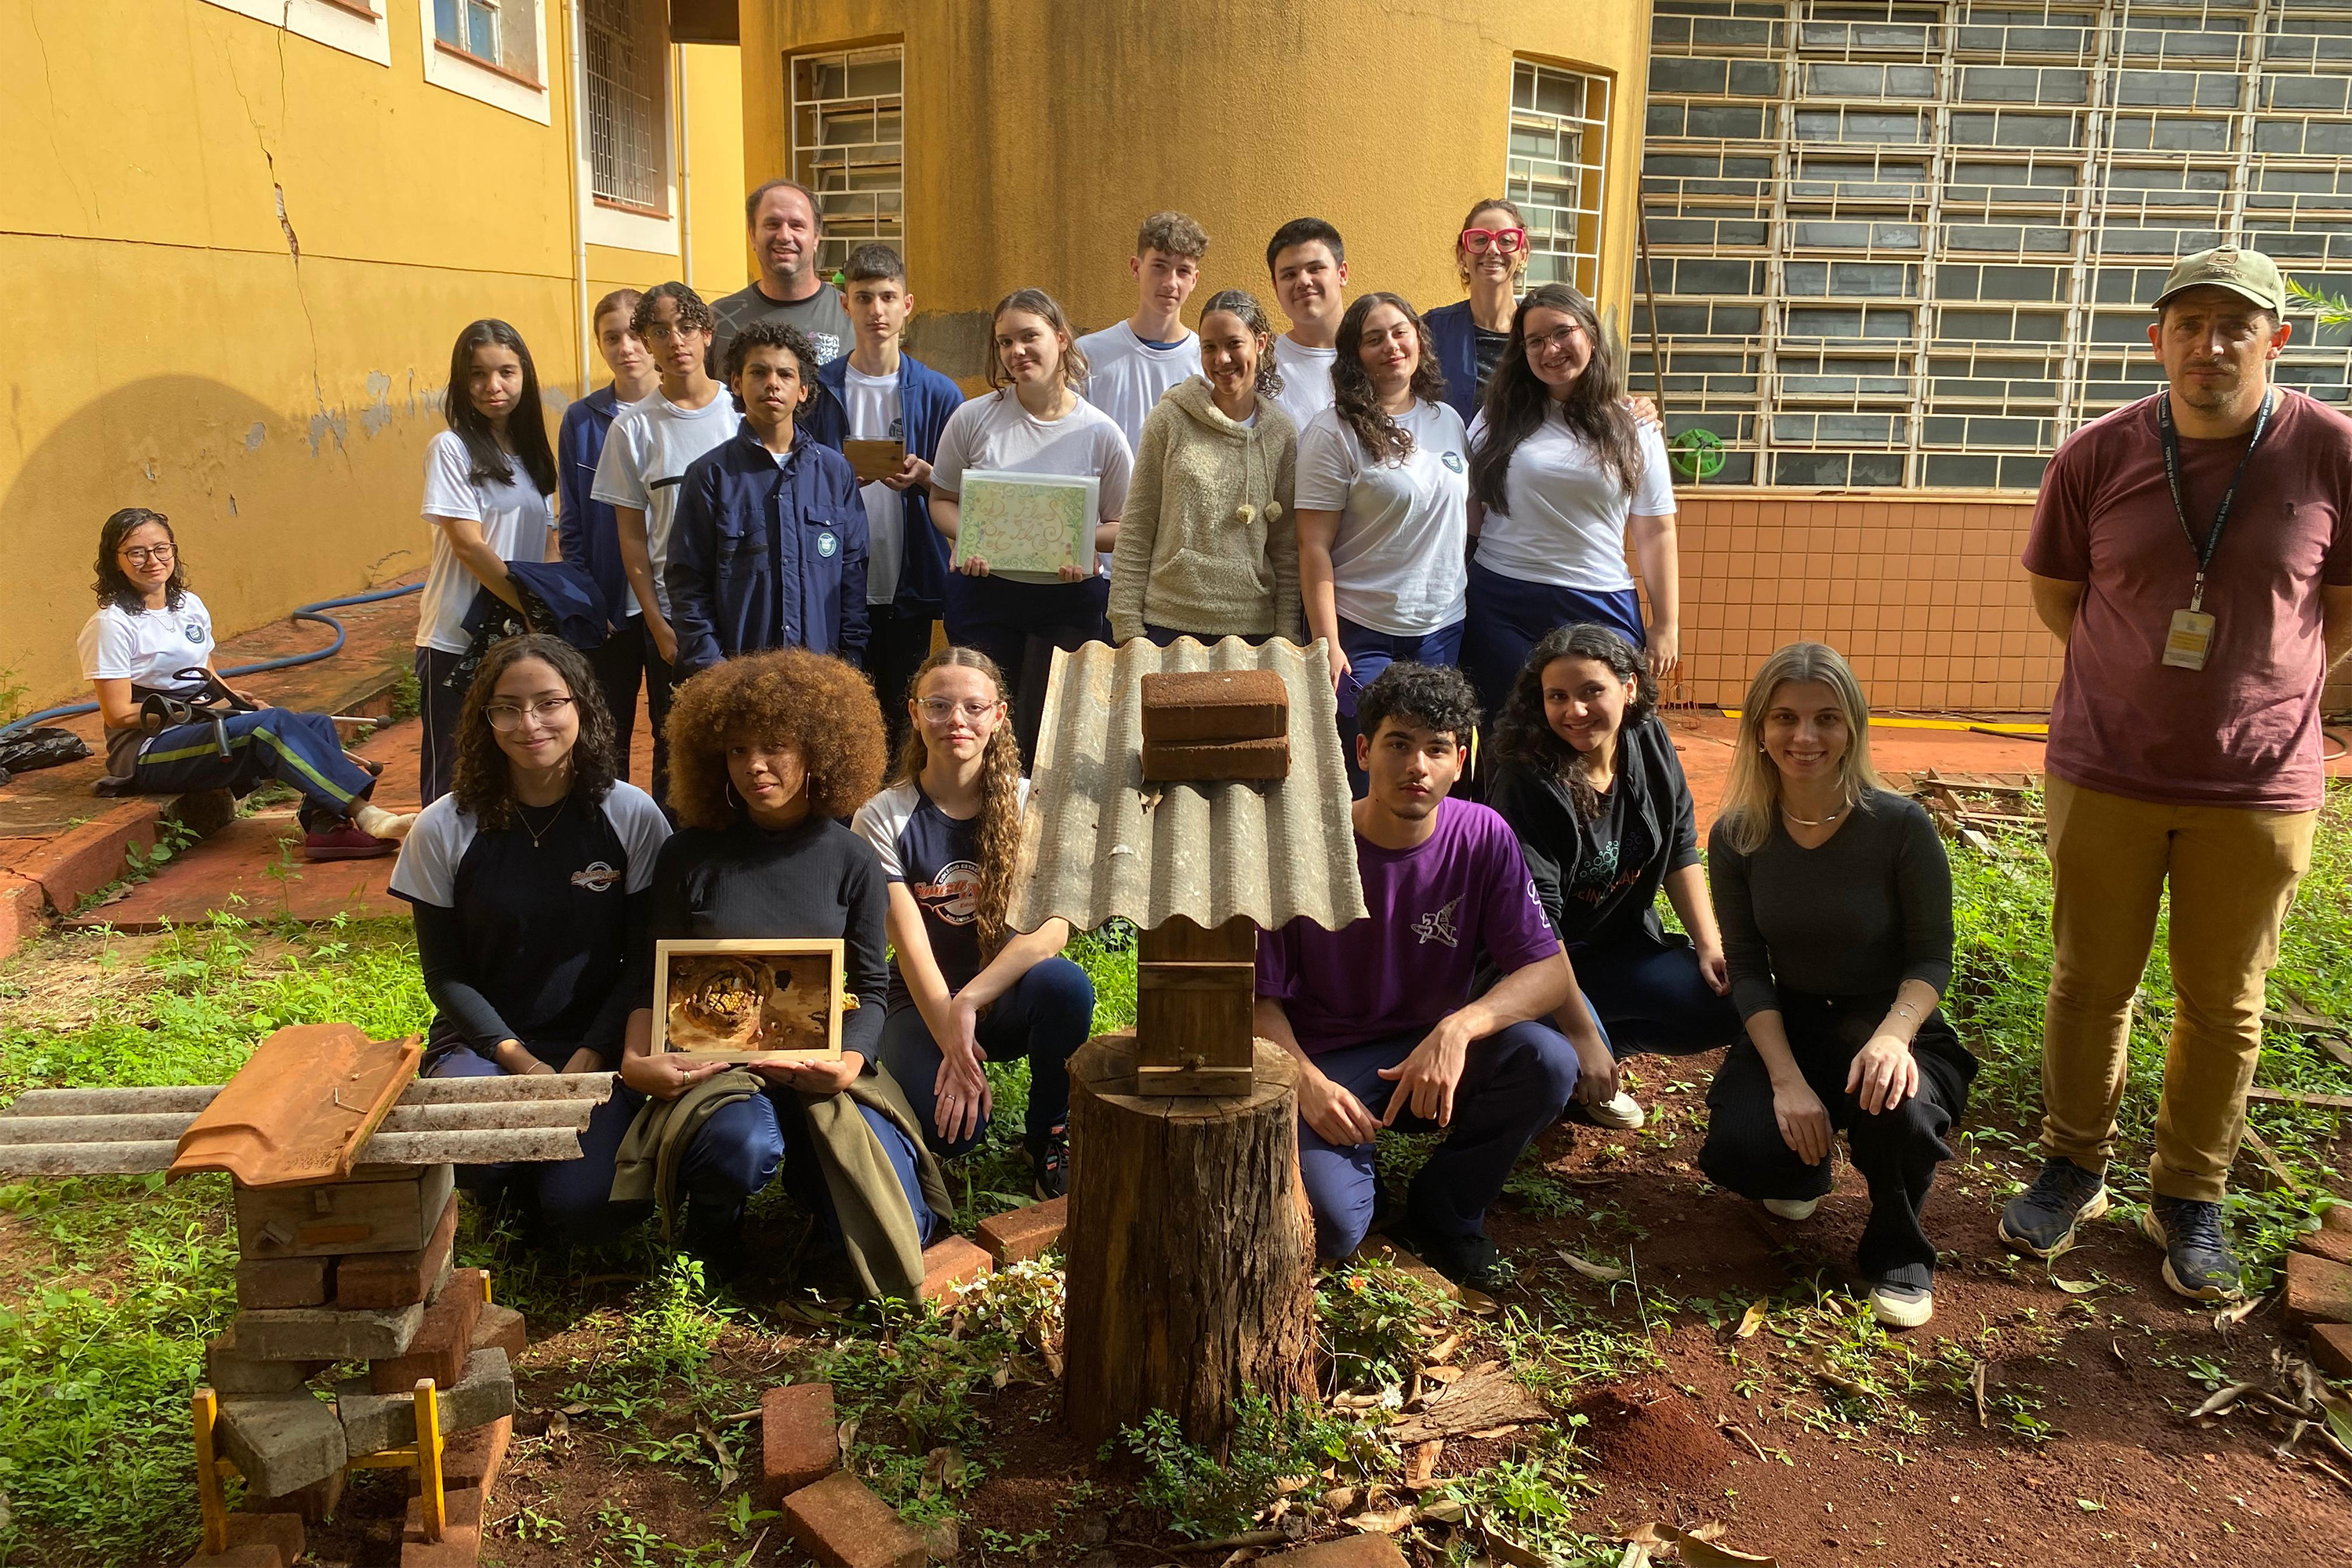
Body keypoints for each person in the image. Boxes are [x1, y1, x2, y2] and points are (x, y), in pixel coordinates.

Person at [2001, 245, 2352, 1301]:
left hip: (2258, 784)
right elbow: (2061, 597)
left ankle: (2188, 1194)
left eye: (2236, 324)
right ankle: (2074, 1164)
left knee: (2225, 1002)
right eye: (2190, 324)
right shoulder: (2098, 453)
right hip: (2106, 767)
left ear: (2276, 340)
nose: (2211, 344)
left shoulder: (2331, 451)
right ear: (2158, 340)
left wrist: (2263, 690)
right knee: (2087, 983)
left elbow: (2341, 611)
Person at [616, 648, 949, 1290]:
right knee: (742, 1148)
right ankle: (715, 1231)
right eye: (737, 750)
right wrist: (636, 1060)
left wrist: (849, 1063)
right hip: (716, 1067)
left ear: (819, 751)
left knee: (900, 1221)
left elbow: (872, 985)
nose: (755, 766)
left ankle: (813, 1197)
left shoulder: (852, 858)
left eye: (775, 747)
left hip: (819, 1063)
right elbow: (648, 979)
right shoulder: (686, 856)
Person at [1256, 662, 1588, 1288]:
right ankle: (1355, 1174)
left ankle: (1448, 1208)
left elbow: (1546, 969)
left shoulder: (1483, 834)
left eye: (1437, 749)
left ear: (1460, 761)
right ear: (1363, 751)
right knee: (1332, 1229)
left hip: (1431, 1053)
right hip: (1327, 1059)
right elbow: (1256, 1000)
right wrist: (1305, 1083)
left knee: (1547, 1061)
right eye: (1398, 744)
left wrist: (1460, 1028)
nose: (1417, 767)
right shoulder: (1305, 845)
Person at [1697, 643, 1974, 1330]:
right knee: (1741, 1148)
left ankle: (1900, 1252)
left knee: (1897, 1106)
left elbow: (1932, 956)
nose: (1805, 736)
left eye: (1826, 718)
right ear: (1759, 729)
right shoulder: (1738, 835)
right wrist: (1786, 1081)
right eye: (1785, 717)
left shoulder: (1900, 826)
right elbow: (1748, 966)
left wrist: (1894, 1037)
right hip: (1793, 1023)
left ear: (1852, 727)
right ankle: (1804, 1167)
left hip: (1890, 1018)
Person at [390, 635, 669, 1240]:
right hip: (485, 1045)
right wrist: (521, 1060)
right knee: (479, 1155)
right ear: (484, 719)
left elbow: (647, 961)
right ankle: (502, 1181)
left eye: (548, 703)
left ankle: (553, 1182)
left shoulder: (631, 815)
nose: (529, 723)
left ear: (581, 707)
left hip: (599, 1042)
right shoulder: (442, 827)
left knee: (587, 1206)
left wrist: (592, 1054)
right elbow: (445, 975)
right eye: (507, 708)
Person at [854, 648, 1094, 1197]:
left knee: (1067, 986)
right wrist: (953, 1039)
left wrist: (971, 1000)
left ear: (999, 716)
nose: (955, 720)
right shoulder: (881, 817)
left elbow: (1053, 930)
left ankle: (1049, 1132)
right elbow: (910, 948)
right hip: (920, 1000)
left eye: (973, 707)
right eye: (938, 705)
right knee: (956, 1133)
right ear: (915, 713)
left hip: (1007, 992)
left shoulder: (1031, 803)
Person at [1486, 625, 1740, 1129]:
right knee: (1559, 1058)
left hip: (1619, 950)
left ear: (1629, 689)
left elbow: (1680, 845)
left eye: (1591, 691)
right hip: (1533, 966)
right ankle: (1570, 1061)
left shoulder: (1647, 738)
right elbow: (1539, 927)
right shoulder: (1525, 777)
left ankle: (1600, 1057)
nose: (1574, 711)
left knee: (1730, 1005)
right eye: (1557, 696)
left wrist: (1710, 945)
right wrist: (1583, 1035)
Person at [78, 508, 411, 858]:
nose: (152, 560)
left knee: (313, 723)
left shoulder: (189, 605)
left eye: (162, 549)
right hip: (150, 748)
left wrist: (237, 703)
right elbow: (118, 714)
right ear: (115, 561)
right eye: (136, 552)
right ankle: (368, 814)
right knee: (270, 725)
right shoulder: (111, 624)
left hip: (199, 724)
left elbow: (206, 673)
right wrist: (192, 711)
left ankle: (328, 830)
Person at [930, 288, 1134, 761]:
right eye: (1005, 342)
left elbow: (1124, 526)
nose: (1016, 351)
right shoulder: (972, 418)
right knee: (979, 731)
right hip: (983, 595)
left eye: (1029, 337)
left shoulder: (1100, 432)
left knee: (1053, 735)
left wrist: (1077, 544)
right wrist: (968, 536)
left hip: (1068, 600)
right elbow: (941, 500)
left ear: (1061, 339)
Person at [1461, 284, 1682, 718]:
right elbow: (1468, 505)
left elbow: (1656, 531)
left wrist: (1666, 624)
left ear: (1591, 336)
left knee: (1599, 734)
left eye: (1563, 333)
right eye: (1535, 341)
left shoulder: (1635, 426)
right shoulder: (1496, 417)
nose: (1551, 349)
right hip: (1502, 600)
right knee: (1509, 734)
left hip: (1599, 600)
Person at [1295, 292, 1471, 784]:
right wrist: (1328, 643)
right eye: (1374, 339)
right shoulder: (1332, 432)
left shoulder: (1447, 420)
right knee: (1371, 768)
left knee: (1430, 769)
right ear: (1355, 355)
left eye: (1399, 333)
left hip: (1441, 629)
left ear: (1419, 340)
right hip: (1362, 632)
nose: (1391, 346)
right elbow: (1312, 545)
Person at [804, 245, 964, 753]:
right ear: (845, 303)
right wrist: (834, 479)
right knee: (841, 718)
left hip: (908, 583)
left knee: (904, 718)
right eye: (864, 297)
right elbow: (796, 477)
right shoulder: (816, 390)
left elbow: (967, 491)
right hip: (832, 582)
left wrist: (926, 475)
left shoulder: (939, 393)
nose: (877, 310)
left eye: (888, 297)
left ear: (907, 305)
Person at [592, 282, 741, 805]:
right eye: (660, 331)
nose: (675, 341)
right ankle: (674, 846)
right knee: (677, 744)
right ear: (646, 341)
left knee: (748, 736)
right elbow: (632, 537)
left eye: (685, 327)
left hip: (743, 607)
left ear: (707, 334)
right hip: (676, 617)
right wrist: (656, 622)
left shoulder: (741, 413)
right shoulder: (631, 429)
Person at [666, 322, 868, 676]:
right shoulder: (710, 475)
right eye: (758, 372)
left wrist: (848, 662)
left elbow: (852, 576)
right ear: (737, 383)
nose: (772, 383)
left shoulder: (835, 473)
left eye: (785, 374)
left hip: (821, 677)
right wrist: (714, 669)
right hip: (737, 679)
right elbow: (688, 583)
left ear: (803, 390)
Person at [1108, 289, 1301, 646]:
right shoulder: (1170, 419)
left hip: (1251, 627)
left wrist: (1286, 634)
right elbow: (1137, 526)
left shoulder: (1280, 434)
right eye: (1209, 347)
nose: (1221, 359)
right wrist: (1127, 625)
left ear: (1260, 343)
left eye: (1233, 344)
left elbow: (1287, 545)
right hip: (1167, 622)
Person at [417, 318, 559, 804]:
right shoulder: (451, 449)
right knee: (453, 775)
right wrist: (535, 608)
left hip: (520, 636)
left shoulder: (532, 455)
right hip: (458, 637)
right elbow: (469, 546)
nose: (492, 386)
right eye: (477, 374)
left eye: (506, 372)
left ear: (525, 377)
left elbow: (547, 543)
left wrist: (550, 610)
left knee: (515, 763)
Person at [557, 289, 655, 775]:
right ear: (599, 346)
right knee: (605, 730)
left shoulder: (683, 411)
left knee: (674, 730)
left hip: (671, 604)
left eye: (635, 334)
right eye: (611, 338)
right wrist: (589, 599)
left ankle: (669, 823)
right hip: (610, 609)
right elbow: (573, 521)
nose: (626, 347)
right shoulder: (582, 420)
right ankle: (608, 817)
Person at [1078, 211, 1210, 454]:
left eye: (1183, 271)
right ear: (1136, 268)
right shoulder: (1088, 355)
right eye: (1160, 267)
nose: (1171, 283)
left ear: (1194, 280)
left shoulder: (1208, 360)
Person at [710, 178, 852, 376]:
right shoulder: (718, 320)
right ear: (753, 235)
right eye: (772, 224)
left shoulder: (852, 316)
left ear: (816, 238)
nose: (784, 236)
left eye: (797, 225)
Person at [1425, 197, 1530, 426]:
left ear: (1523, 253)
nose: (1492, 249)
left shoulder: (1539, 331)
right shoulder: (1430, 330)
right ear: (1462, 254)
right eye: (1480, 240)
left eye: (1506, 240)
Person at [1265, 218, 1350, 432]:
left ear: (1342, 274)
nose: (1303, 281)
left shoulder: (1383, 352)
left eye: (1315, 268)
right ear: (1275, 286)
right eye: (1289, 274)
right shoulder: (1263, 369)